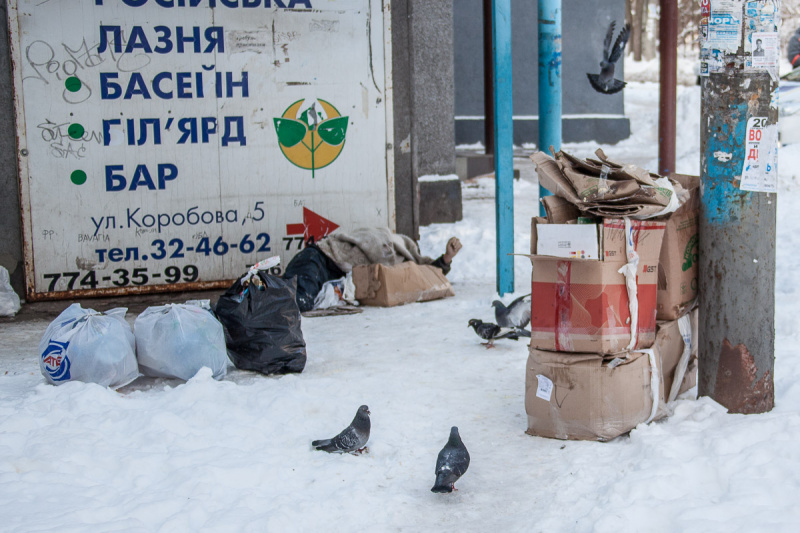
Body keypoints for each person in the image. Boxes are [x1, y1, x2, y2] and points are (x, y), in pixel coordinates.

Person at [283, 229, 462, 312]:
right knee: (296, 301)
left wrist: (447, 257)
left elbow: (426, 274)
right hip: (319, 258)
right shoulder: (384, 240)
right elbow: (422, 272)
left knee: (300, 301)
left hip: (332, 275)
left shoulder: (404, 264)